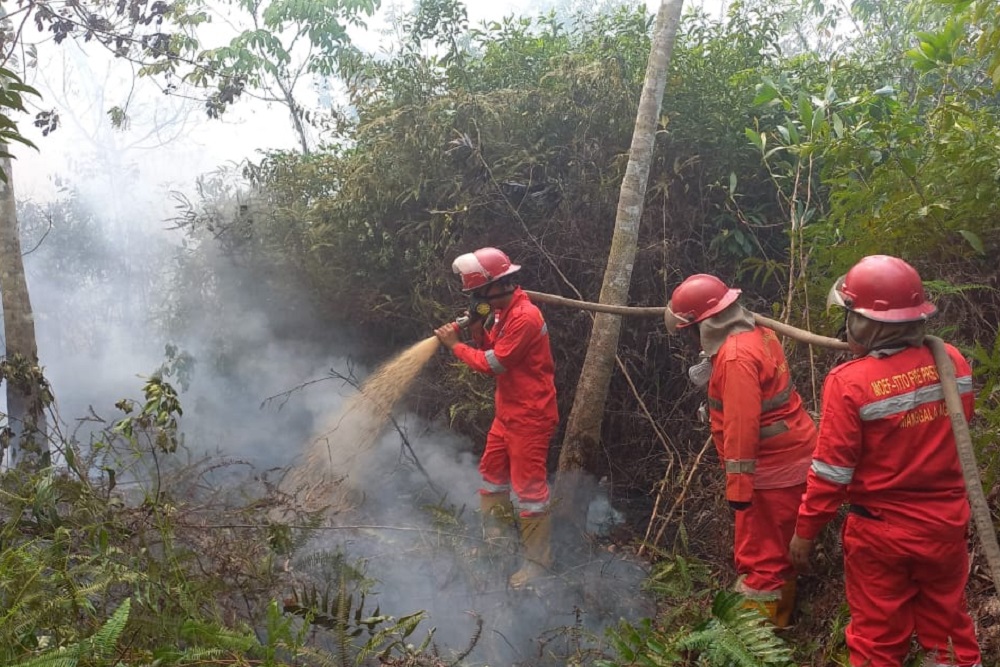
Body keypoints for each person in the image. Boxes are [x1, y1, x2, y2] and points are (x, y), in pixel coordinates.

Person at [789, 255, 982, 667]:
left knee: (877, 640)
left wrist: (805, 532)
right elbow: (956, 432)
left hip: (881, 535)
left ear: (867, 324)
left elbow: (830, 474)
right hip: (945, 527)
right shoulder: (953, 360)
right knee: (948, 632)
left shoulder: (848, 382)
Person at [665, 274, 817, 627]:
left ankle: (757, 642)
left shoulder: (735, 360)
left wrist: (738, 489)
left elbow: (741, 427)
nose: (688, 339)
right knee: (777, 552)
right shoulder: (759, 334)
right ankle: (781, 622)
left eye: (688, 331)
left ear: (701, 325)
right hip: (792, 457)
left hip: (771, 470)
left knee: (761, 561)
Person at [433, 247, 558, 589]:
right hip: (508, 413)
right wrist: (476, 328)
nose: (475, 299)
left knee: (530, 491)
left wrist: (454, 345)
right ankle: (498, 544)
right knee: (491, 477)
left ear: (496, 286)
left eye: (477, 293)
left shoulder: (525, 317)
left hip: (530, 416)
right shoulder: (503, 310)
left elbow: (493, 364)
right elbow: (492, 348)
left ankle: (537, 563)